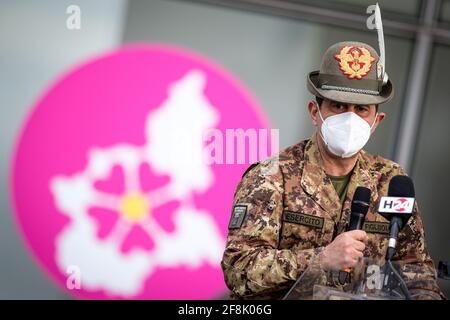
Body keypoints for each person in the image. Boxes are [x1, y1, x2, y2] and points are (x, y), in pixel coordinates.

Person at [221, 41, 445, 300]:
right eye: (338, 106)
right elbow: (238, 269)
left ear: (376, 121)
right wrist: (320, 259)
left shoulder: (391, 181)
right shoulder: (271, 176)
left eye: (361, 109)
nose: (350, 118)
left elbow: (417, 272)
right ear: (315, 112)